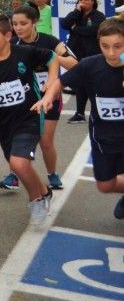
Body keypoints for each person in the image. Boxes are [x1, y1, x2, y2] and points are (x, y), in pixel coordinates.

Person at [0, 15, 56, 226]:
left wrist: (51, 81)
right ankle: (45, 191)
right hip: (5, 122)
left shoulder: (24, 53)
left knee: (18, 163)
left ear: (8, 36)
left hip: (30, 115)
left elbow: (52, 58)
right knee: (17, 164)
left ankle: (36, 201)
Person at [35, 19, 124, 219]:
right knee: (105, 185)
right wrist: (48, 98)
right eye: (105, 46)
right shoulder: (90, 65)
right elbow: (60, 81)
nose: (111, 53)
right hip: (103, 136)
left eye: (118, 46)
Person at [9, 4, 77, 191]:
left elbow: (74, 64)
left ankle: (52, 173)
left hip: (49, 96)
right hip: (23, 98)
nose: (19, 28)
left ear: (35, 22)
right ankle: (13, 175)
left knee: (45, 141)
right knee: (16, 138)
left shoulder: (50, 41)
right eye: (15, 24)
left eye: (23, 23)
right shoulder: (12, 43)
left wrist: (51, 57)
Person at [62, 0, 105, 125]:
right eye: (81, 0)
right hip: (76, 54)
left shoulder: (98, 16)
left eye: (86, 0)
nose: (83, 2)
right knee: (80, 84)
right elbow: (64, 24)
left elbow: (92, 31)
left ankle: (98, 113)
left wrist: (75, 29)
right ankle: (80, 114)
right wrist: (76, 12)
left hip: (92, 54)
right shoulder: (76, 15)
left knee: (92, 84)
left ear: (93, 1)